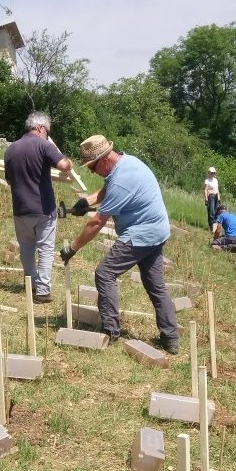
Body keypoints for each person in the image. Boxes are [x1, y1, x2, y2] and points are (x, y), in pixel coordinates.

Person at [59, 134, 180, 354]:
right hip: (157, 230)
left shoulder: (123, 180)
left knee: (105, 273)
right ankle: (171, 338)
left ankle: (110, 331)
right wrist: (87, 201)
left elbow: (97, 222)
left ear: (104, 159)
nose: (92, 172)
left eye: (93, 168)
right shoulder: (126, 163)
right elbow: (107, 188)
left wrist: (72, 248)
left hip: (142, 234)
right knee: (156, 285)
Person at [3, 112, 73, 303]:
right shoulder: (44, 145)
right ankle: (42, 291)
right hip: (43, 209)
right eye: (48, 131)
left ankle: (31, 284)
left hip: (21, 209)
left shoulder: (11, 149)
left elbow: (9, 180)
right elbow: (64, 166)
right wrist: (69, 162)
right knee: (46, 249)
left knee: (26, 248)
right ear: (41, 128)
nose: (48, 135)